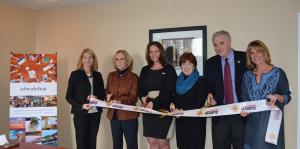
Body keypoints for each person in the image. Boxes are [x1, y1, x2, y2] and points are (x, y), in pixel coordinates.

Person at [240, 40, 291, 149]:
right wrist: (244, 110)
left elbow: (287, 97)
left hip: (270, 123)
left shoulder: (278, 72)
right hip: (252, 123)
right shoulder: (246, 76)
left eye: (258, 51)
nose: (255, 55)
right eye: (252, 53)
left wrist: (277, 96)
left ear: (265, 53)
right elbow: (245, 99)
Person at [204, 30, 247, 149]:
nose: (218, 47)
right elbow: (208, 85)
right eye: (215, 45)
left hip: (241, 114)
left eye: (221, 43)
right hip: (220, 114)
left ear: (229, 42)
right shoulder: (210, 63)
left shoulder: (245, 58)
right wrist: (209, 93)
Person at [138, 41, 177, 149]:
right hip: (148, 110)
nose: (153, 54)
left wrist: (153, 102)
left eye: (156, 51)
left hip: (164, 110)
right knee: (152, 143)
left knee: (163, 143)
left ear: (161, 52)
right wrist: (142, 98)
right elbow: (140, 89)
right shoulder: (145, 70)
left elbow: (169, 92)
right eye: (151, 52)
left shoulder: (169, 69)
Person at [65, 48, 105, 149]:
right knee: (82, 144)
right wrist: (81, 105)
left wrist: (96, 98)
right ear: (81, 60)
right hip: (80, 114)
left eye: (90, 57)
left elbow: (102, 94)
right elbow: (68, 96)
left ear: (93, 59)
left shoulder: (98, 75)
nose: (88, 60)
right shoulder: (75, 75)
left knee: (92, 143)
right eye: (85, 57)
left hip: (95, 114)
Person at [171, 52, 210, 149]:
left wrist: (182, 111)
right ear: (180, 66)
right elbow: (174, 100)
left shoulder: (201, 80)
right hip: (181, 123)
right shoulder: (177, 81)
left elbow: (199, 103)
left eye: (189, 63)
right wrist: (173, 107)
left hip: (195, 124)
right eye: (183, 64)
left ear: (194, 65)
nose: (186, 66)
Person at [106, 50, 139, 149]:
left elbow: (134, 98)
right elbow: (107, 90)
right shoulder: (111, 76)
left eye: (122, 59)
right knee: (116, 145)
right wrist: (108, 96)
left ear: (127, 61)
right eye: (117, 59)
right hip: (114, 116)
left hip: (129, 116)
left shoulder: (134, 77)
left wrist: (120, 102)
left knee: (132, 145)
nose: (119, 61)